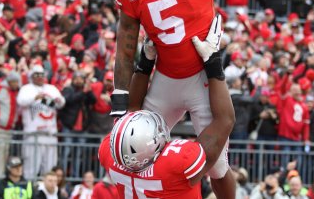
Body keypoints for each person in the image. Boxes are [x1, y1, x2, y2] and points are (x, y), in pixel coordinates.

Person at [112, 0, 262, 195]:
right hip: (165, 78)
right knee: (132, 147)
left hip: (202, 77)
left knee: (216, 166)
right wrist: (119, 100)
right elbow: (125, 47)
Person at [99, 21, 234, 198]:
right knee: (219, 168)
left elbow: (132, 110)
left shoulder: (112, 152)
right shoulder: (177, 164)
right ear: (152, 146)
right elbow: (225, 120)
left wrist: (146, 60)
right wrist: (213, 62)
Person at [17, 64, 65, 179]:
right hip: (33, 134)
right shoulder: (26, 88)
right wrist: (34, 98)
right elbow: (20, 101)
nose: (39, 77)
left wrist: (58, 100)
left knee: (50, 168)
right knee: (31, 167)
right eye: (37, 75)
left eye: (42, 75)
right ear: (31, 76)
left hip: (50, 134)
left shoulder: (51, 88)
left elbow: (62, 103)